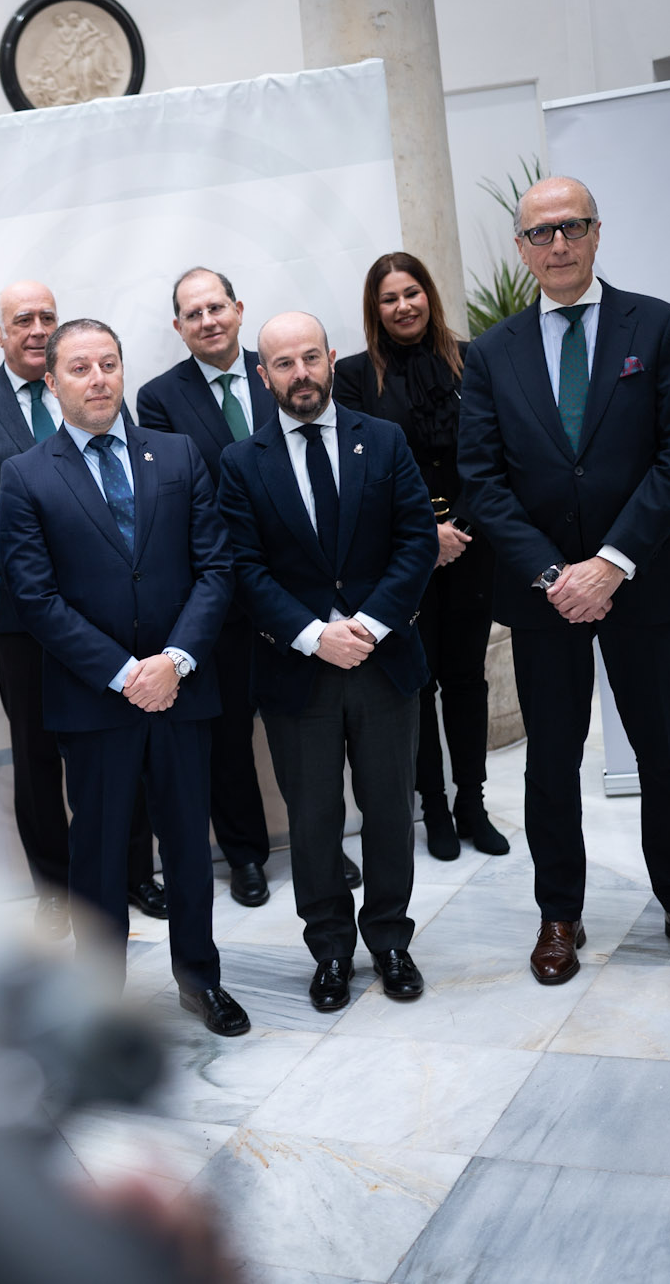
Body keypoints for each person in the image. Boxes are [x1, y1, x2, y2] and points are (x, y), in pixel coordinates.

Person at [458, 175, 670, 984]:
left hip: (642, 584)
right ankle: (559, 915)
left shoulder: (660, 325)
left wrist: (610, 563)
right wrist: (555, 573)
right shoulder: (490, 353)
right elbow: (482, 480)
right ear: (521, 248)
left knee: (665, 751)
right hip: (544, 599)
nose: (557, 245)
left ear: (596, 232)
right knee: (549, 763)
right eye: (540, 233)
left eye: (571, 227)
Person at [0, 318, 248, 1036]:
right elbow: (35, 598)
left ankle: (200, 980)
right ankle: (101, 1006)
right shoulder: (25, 474)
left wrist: (175, 661)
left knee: (190, 851)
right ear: (52, 383)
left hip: (183, 687)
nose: (99, 378)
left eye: (109, 363)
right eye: (80, 367)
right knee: (99, 857)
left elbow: (215, 567)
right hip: (93, 700)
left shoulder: (177, 454)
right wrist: (122, 671)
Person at [216, 313, 437, 1013]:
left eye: (311, 357)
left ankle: (391, 940)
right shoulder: (241, 462)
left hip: (383, 661)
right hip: (297, 671)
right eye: (284, 363)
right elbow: (244, 568)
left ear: (331, 359)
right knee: (312, 820)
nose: (300, 373)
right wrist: (314, 634)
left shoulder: (386, 440)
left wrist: (367, 625)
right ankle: (332, 950)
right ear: (264, 375)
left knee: (389, 811)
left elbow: (416, 541)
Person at [0, 283, 166, 938]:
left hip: (110, 610)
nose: (38, 328)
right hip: (22, 617)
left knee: (124, 740)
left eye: (47, 316)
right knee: (39, 756)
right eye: (23, 320)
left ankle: (135, 872)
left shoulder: (95, 391)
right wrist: (42, 563)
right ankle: (55, 887)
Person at [136, 267, 329, 905]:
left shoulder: (281, 366)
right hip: (218, 589)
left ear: (239, 309)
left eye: (216, 307)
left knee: (306, 724)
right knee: (227, 737)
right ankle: (245, 854)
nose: (208, 320)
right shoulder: (159, 398)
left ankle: (317, 848)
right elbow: (184, 494)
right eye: (193, 314)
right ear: (178, 327)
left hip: (297, 584)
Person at [333, 254, 511, 862]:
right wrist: (425, 533)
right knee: (418, 682)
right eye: (389, 299)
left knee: (466, 677)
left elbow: (493, 453)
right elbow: (360, 470)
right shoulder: (354, 377)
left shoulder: (473, 358)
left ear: (429, 296)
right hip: (401, 555)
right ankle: (431, 806)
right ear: (374, 310)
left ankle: (472, 803)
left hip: (472, 541)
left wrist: (456, 525)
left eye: (412, 293)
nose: (403, 306)